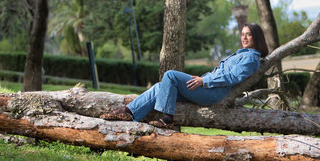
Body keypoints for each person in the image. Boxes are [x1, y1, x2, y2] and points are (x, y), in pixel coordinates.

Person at [101, 23, 269, 129]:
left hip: (214, 93)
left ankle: (167, 118)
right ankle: (129, 112)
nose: (244, 37)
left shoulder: (251, 58)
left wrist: (204, 80)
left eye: (248, 34)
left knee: (170, 75)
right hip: (208, 87)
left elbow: (232, 78)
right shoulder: (242, 54)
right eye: (242, 34)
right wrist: (202, 79)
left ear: (257, 37)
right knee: (161, 87)